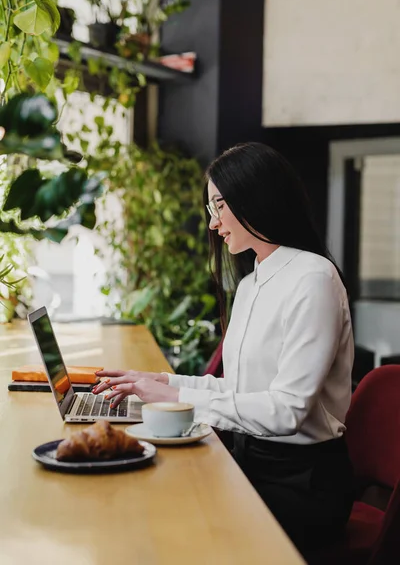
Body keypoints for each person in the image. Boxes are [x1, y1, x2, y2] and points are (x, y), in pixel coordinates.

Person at [93, 142, 354, 554]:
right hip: (249, 458)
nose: (213, 223)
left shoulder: (313, 279)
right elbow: (241, 393)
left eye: (219, 205)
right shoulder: (251, 283)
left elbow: (287, 411)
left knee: (174, 528)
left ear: (254, 196)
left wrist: (178, 398)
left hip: (302, 483)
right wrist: (160, 382)